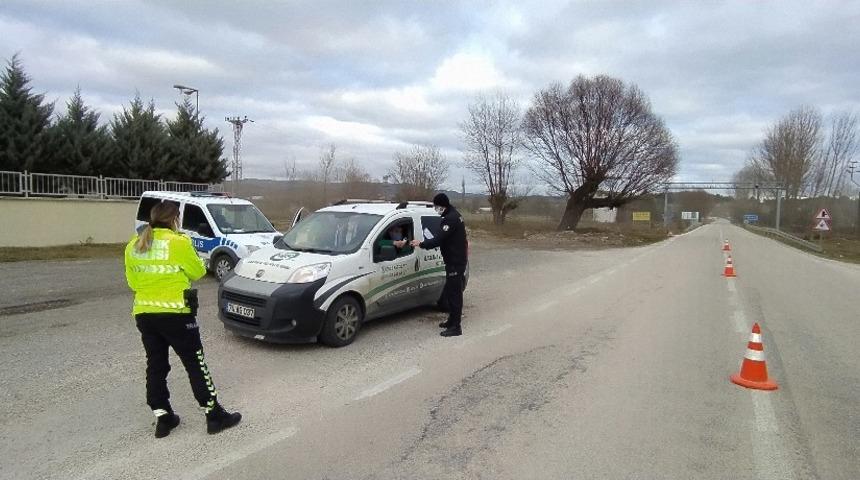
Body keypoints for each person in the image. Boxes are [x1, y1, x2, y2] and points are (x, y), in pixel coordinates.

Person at [124, 200, 241, 438]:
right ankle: (214, 416)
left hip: (145, 315)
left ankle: (163, 418)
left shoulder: (133, 246)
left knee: (156, 365)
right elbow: (198, 271)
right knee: (195, 364)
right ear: (175, 220)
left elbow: (133, 283)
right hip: (176, 314)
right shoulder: (179, 243)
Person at [410, 193, 468, 337]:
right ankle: (452, 320)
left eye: (437, 206)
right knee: (450, 290)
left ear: (442, 205)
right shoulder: (453, 214)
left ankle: (456, 327)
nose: (436, 209)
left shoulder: (450, 219)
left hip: (455, 262)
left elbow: (438, 240)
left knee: (454, 294)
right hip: (455, 260)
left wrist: (421, 243)